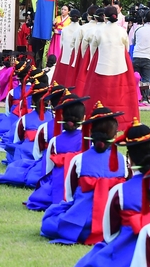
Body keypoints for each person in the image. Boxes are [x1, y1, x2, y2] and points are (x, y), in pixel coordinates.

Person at [69, 121, 150, 267]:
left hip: (127, 256)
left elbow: (109, 234)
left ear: (130, 158)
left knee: (95, 259)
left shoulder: (120, 190)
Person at [41, 103, 131, 245]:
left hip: (80, 225)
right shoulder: (124, 161)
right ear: (115, 135)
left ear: (90, 133)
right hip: (114, 226)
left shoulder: (79, 160)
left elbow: (69, 195)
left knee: (49, 221)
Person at [25, 92, 88, 212]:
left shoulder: (54, 140)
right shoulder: (89, 141)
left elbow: (46, 168)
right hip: (82, 184)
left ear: (62, 116)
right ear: (84, 117)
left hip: (57, 184)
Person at [85, 6, 139, 132]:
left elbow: (93, 50)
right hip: (120, 66)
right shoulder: (122, 31)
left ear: (105, 16)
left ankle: (98, 117)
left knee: (100, 95)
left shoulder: (99, 31)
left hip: (102, 66)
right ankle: (124, 120)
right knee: (122, 95)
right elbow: (126, 49)